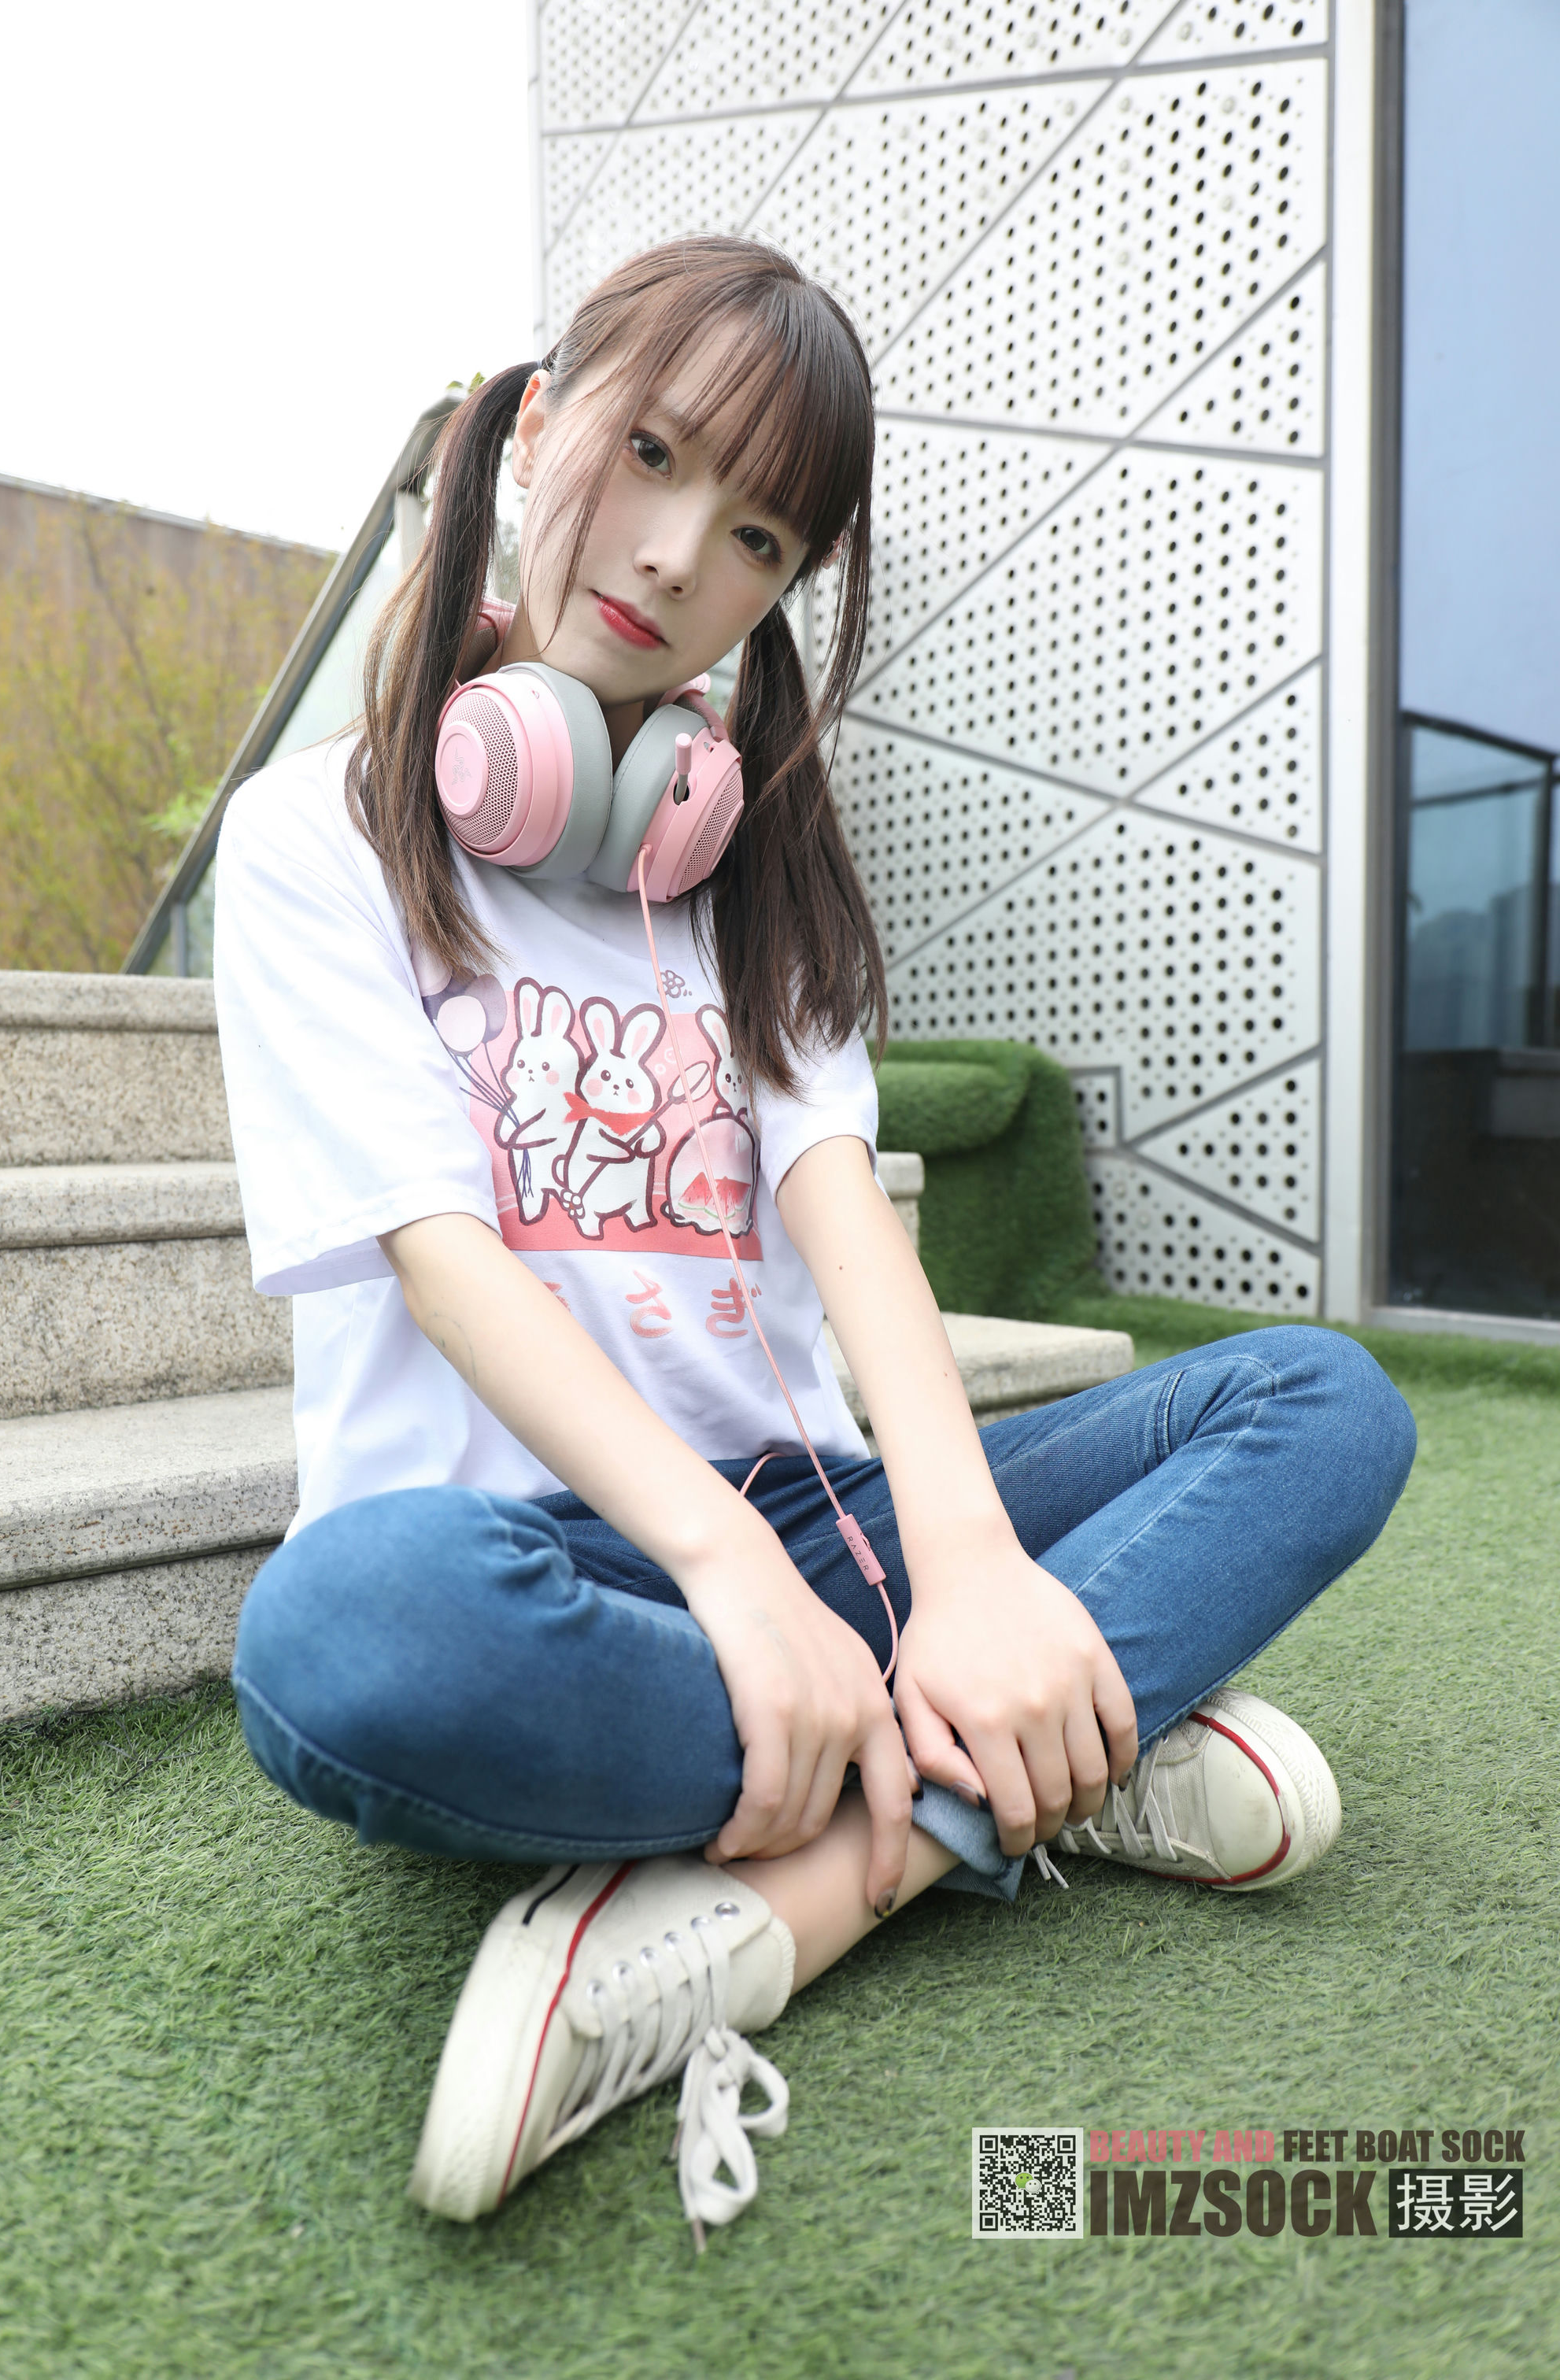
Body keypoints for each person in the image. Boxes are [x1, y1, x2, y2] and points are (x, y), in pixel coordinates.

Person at [215, 236, 1417, 2248]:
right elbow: (445, 1258)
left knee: (1328, 1400)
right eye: (652, 451)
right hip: (550, 1558)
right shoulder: (313, 841)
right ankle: (1061, 1745)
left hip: (819, 1521)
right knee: (341, 1642)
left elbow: (849, 1231)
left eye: (759, 536)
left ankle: (812, 1894)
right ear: (538, 422)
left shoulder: (747, 882)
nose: (679, 556)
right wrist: (718, 1571)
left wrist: (967, 1566)